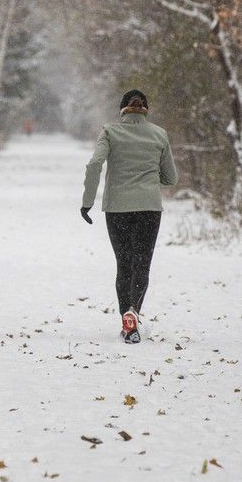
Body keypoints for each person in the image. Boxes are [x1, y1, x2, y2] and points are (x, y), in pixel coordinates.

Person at [80, 90, 177, 344]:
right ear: (146, 110)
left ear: (122, 109)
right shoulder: (159, 134)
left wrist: (87, 202)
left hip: (117, 208)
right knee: (142, 264)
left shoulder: (109, 132)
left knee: (124, 264)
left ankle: (127, 319)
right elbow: (171, 178)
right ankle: (134, 311)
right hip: (149, 208)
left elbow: (95, 164)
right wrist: (148, 180)